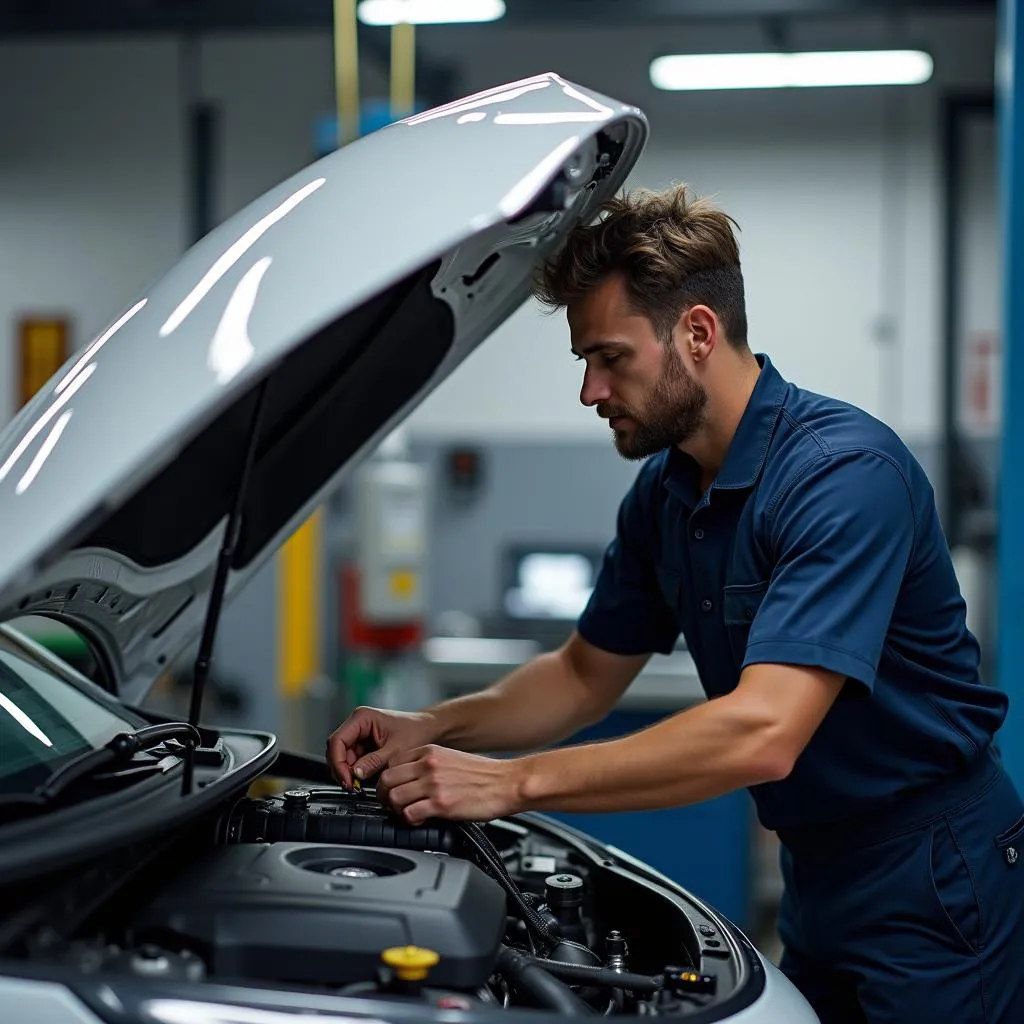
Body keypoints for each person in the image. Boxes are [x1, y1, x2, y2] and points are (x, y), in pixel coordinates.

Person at [327, 184, 1024, 1022]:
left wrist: (511, 785)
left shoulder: (844, 476)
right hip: (821, 873)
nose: (590, 391)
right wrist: (438, 727)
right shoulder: (667, 494)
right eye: (584, 361)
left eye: (611, 357)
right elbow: (583, 675)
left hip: (932, 872)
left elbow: (764, 732)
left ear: (696, 333)